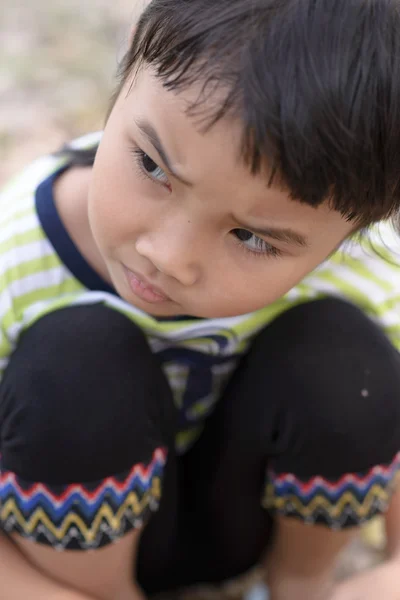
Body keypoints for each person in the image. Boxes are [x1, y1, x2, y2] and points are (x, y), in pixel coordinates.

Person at [2, 0, 400, 598]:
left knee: (349, 359)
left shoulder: (353, 268)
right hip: (70, 559)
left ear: (354, 229)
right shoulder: (14, 261)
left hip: (241, 516)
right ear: (132, 52)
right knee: (74, 361)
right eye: (152, 167)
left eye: (250, 237)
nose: (169, 256)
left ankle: (301, 584)